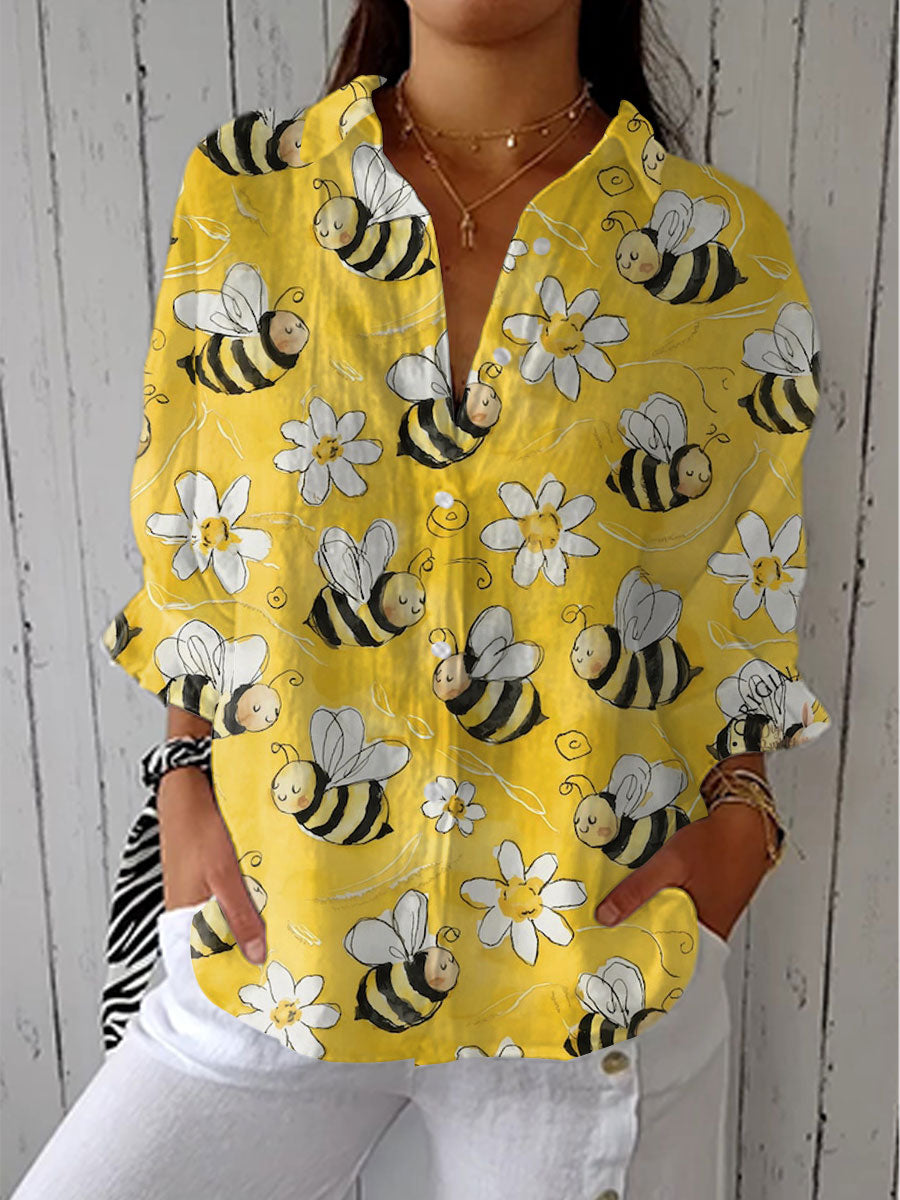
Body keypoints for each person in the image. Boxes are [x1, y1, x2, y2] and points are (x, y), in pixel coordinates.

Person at [13, 1, 832, 1197]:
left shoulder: (714, 247)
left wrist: (742, 818)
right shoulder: (247, 196)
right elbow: (194, 538)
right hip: (274, 940)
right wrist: (182, 772)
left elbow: (740, 590)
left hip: (584, 976)